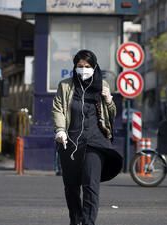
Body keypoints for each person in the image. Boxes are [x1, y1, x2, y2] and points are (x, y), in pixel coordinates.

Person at [52, 50, 123, 225]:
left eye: (88, 66)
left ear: (94, 67)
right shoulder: (65, 85)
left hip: (95, 142)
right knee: (71, 187)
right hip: (71, 142)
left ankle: (89, 222)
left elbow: (112, 114)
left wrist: (108, 100)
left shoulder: (103, 85)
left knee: (91, 186)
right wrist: (60, 130)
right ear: (75, 67)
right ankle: (75, 220)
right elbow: (58, 108)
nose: (84, 69)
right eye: (80, 66)